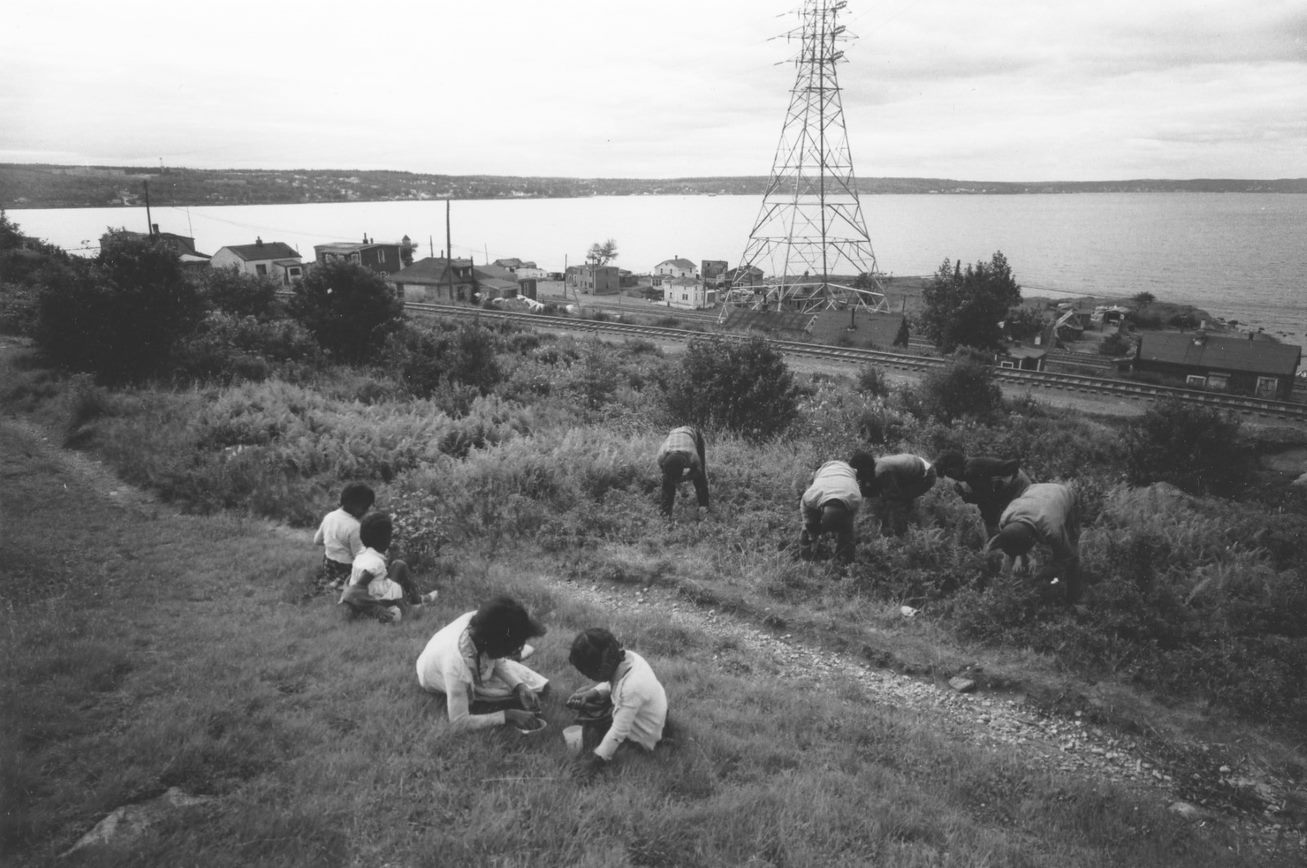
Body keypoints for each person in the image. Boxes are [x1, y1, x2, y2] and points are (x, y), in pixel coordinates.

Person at [415, 596, 550, 732]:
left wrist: (519, 687)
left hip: (467, 657)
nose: (512, 652)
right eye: (512, 648)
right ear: (498, 645)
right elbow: (459, 722)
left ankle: (516, 680)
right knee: (501, 695)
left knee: (539, 686)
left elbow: (497, 659)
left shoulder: (485, 622)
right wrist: (508, 715)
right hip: (432, 672)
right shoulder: (457, 667)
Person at [565, 628, 667, 779]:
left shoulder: (632, 688)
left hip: (644, 735)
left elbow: (618, 732)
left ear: (601, 670)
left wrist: (595, 761)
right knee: (591, 705)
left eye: (588, 674)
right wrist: (593, 693)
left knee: (592, 717)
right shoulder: (626, 659)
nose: (589, 678)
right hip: (647, 712)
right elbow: (612, 682)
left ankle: (627, 748)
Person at [988, 482, 1083, 604]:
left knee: (1072, 555)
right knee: (1019, 547)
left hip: (1063, 495)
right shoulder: (1005, 519)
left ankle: (1074, 600)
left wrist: (1039, 574)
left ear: (1033, 540)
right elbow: (1013, 540)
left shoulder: (1051, 529)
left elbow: (1065, 558)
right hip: (1034, 490)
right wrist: (1018, 557)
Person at [337, 513, 436, 624]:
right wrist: (378, 610)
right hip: (376, 600)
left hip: (366, 597)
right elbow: (354, 591)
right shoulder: (375, 563)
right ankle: (416, 603)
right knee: (400, 565)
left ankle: (417, 599)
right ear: (385, 539)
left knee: (397, 565)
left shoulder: (362, 554)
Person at [935, 451, 1031, 537]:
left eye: (949, 473)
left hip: (1017, 484)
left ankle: (1000, 544)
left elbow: (985, 499)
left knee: (999, 520)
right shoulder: (970, 465)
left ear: (955, 467)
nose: (952, 478)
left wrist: (963, 495)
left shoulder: (971, 471)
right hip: (1014, 479)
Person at [854, 452, 937, 536]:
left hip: (926, 475)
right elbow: (867, 488)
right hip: (913, 468)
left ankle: (902, 534)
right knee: (888, 495)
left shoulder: (883, 470)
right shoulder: (873, 465)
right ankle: (910, 518)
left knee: (897, 500)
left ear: (864, 469)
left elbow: (894, 499)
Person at [799, 458, 864, 563]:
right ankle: (806, 559)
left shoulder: (855, 498)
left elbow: (850, 520)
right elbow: (807, 517)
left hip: (847, 473)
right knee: (808, 527)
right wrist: (811, 527)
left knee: (847, 531)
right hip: (824, 470)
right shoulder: (810, 497)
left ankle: (845, 562)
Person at [312, 482, 374, 592]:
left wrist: (334, 545)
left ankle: (334, 582)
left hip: (328, 566)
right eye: (366, 508)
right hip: (346, 568)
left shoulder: (329, 516)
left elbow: (317, 540)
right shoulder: (355, 526)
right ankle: (342, 584)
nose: (366, 511)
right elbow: (359, 557)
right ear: (359, 506)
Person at [657, 425, 709, 518]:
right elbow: (665, 475)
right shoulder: (661, 456)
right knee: (667, 483)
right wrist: (677, 484)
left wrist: (685, 478)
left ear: (685, 463)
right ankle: (665, 515)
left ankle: (704, 508)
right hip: (673, 433)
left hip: (692, 434)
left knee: (700, 480)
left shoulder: (692, 455)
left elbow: (699, 472)